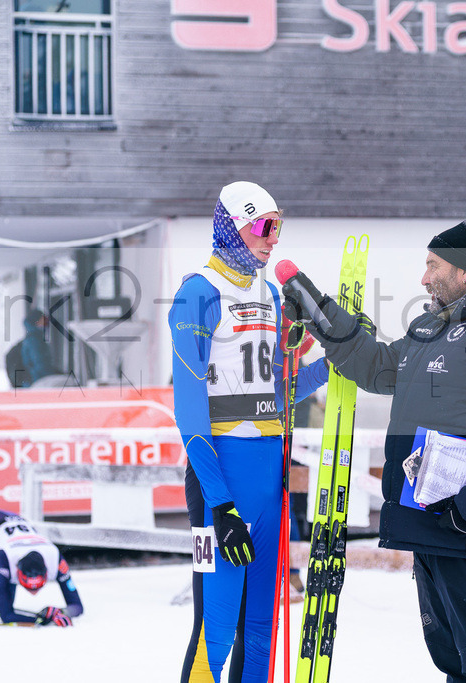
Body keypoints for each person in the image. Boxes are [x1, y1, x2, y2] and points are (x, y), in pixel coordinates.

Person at [282, 207, 466, 682]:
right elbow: (377, 367)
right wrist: (320, 313)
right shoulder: (434, 328)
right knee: (453, 659)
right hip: (432, 520)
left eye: (433, 265)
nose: (424, 278)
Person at [169, 181, 329, 682]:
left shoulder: (270, 294)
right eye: (263, 226)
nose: (272, 238)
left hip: (267, 481)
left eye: (278, 227)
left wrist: (333, 364)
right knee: (214, 633)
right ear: (232, 227)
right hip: (221, 485)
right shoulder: (198, 294)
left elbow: (276, 394)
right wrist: (220, 505)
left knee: (261, 630)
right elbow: (189, 413)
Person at [19, 308, 59, 386]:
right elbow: (40, 362)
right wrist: (52, 375)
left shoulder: (34, 337)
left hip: (34, 380)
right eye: (43, 320)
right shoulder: (34, 340)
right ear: (36, 321)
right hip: (38, 381)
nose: (46, 323)